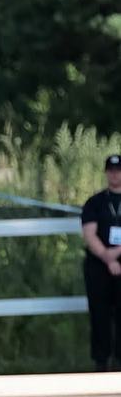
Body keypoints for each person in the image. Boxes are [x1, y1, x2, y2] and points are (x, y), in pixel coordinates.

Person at [81, 153, 121, 371]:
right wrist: (107, 256)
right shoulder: (95, 202)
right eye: (111, 170)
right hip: (99, 264)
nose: (115, 174)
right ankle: (101, 362)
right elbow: (89, 233)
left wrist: (117, 254)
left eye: (118, 170)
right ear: (106, 173)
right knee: (100, 314)